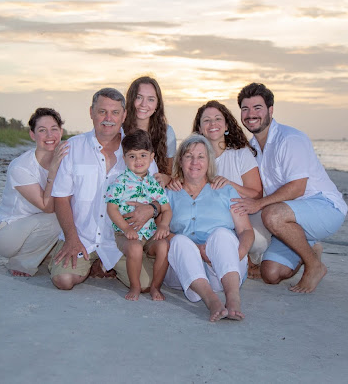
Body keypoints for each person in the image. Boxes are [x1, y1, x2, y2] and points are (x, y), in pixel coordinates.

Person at [233, 83, 348, 293]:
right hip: (291, 218)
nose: (251, 114)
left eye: (257, 108)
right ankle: (311, 249)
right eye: (245, 109)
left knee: (271, 214)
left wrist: (258, 204)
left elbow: (297, 188)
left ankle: (314, 266)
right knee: (270, 274)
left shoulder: (290, 139)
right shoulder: (253, 147)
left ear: (270, 110)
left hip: (324, 207)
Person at [49, 88, 162, 291]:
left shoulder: (137, 150)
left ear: (124, 115)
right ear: (91, 112)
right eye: (102, 112)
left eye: (115, 112)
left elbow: (158, 195)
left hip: (119, 241)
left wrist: (151, 209)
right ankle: (85, 262)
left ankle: (103, 264)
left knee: (144, 285)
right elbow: (61, 198)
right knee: (63, 281)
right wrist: (71, 239)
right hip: (82, 237)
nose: (108, 118)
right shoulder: (73, 147)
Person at [163, 134, 254, 322]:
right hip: (184, 271)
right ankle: (212, 301)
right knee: (179, 240)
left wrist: (235, 255)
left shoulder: (225, 190)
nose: (195, 161)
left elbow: (245, 231)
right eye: (188, 156)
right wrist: (197, 251)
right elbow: (161, 234)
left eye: (201, 156)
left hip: (222, 268)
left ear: (209, 161)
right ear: (180, 161)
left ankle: (233, 298)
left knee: (221, 234)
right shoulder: (169, 194)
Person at [190, 100, 271, 277]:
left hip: (241, 216)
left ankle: (252, 257)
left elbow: (257, 193)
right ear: (200, 128)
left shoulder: (241, 153)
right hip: (213, 220)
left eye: (218, 119)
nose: (213, 124)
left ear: (227, 124)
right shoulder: (194, 158)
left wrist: (229, 184)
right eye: (206, 120)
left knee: (255, 240)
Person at [0, 107, 69, 276]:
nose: (49, 136)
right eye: (42, 130)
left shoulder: (66, 159)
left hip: (35, 229)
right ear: (32, 135)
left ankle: (43, 254)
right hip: (7, 235)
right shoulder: (21, 166)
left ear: (61, 131)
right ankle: (21, 263)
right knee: (56, 217)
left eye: (54, 129)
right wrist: (53, 170)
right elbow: (47, 206)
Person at [105, 130, 172, 301]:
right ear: (124, 158)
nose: (138, 160)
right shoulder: (120, 182)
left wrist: (163, 226)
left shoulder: (155, 185)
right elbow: (111, 209)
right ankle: (135, 287)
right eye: (132, 156)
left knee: (163, 245)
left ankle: (156, 287)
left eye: (143, 155)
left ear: (151, 157)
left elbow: (167, 209)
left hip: (149, 234)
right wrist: (126, 228)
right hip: (125, 234)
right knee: (134, 247)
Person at [123, 76, 176, 184]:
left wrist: (165, 179)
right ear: (130, 99)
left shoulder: (166, 132)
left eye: (150, 99)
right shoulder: (119, 130)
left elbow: (168, 173)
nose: (144, 104)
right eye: (139, 97)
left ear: (157, 104)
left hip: (152, 197)